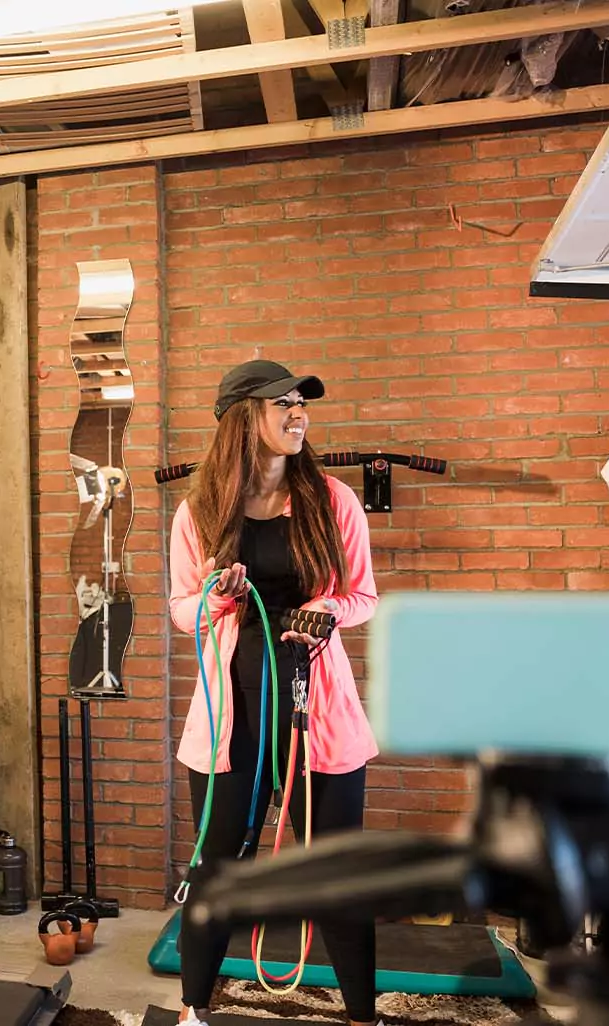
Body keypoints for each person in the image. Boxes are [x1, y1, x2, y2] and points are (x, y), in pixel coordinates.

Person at [168, 359, 381, 1026]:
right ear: (242, 419)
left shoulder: (332, 499)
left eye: (301, 404)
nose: (299, 415)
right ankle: (192, 1014)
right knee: (216, 872)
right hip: (234, 715)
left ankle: (362, 1018)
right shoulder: (199, 510)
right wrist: (216, 594)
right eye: (282, 404)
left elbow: (363, 595)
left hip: (312, 707)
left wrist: (327, 612)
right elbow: (182, 609)